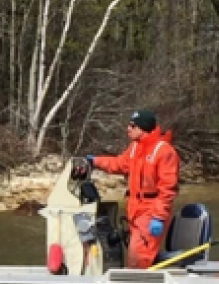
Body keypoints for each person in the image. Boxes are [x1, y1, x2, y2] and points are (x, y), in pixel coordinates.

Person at [72, 109, 179, 268]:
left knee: (138, 256)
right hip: (134, 209)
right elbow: (120, 164)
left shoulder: (164, 152)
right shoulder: (135, 147)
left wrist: (159, 217)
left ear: (142, 128)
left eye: (132, 126)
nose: (128, 128)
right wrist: (95, 161)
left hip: (151, 211)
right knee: (133, 255)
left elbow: (167, 189)